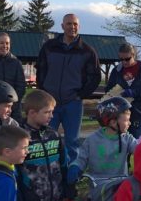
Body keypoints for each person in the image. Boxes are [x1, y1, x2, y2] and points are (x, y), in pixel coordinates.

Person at [36, 13, 101, 162]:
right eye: (69, 24)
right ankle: (48, 172)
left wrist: (81, 94)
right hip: (50, 103)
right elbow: (40, 69)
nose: (72, 27)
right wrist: (44, 92)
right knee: (46, 139)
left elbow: (95, 76)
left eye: (75, 24)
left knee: (72, 142)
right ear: (62, 26)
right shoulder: (49, 47)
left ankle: (72, 177)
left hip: (73, 103)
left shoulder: (87, 51)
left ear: (79, 26)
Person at [105, 42, 141, 138]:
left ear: (133, 55)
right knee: (120, 142)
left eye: (127, 59)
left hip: (140, 112)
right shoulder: (116, 70)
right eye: (121, 59)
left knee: (140, 142)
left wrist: (134, 92)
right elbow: (108, 88)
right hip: (120, 112)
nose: (124, 62)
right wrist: (115, 93)